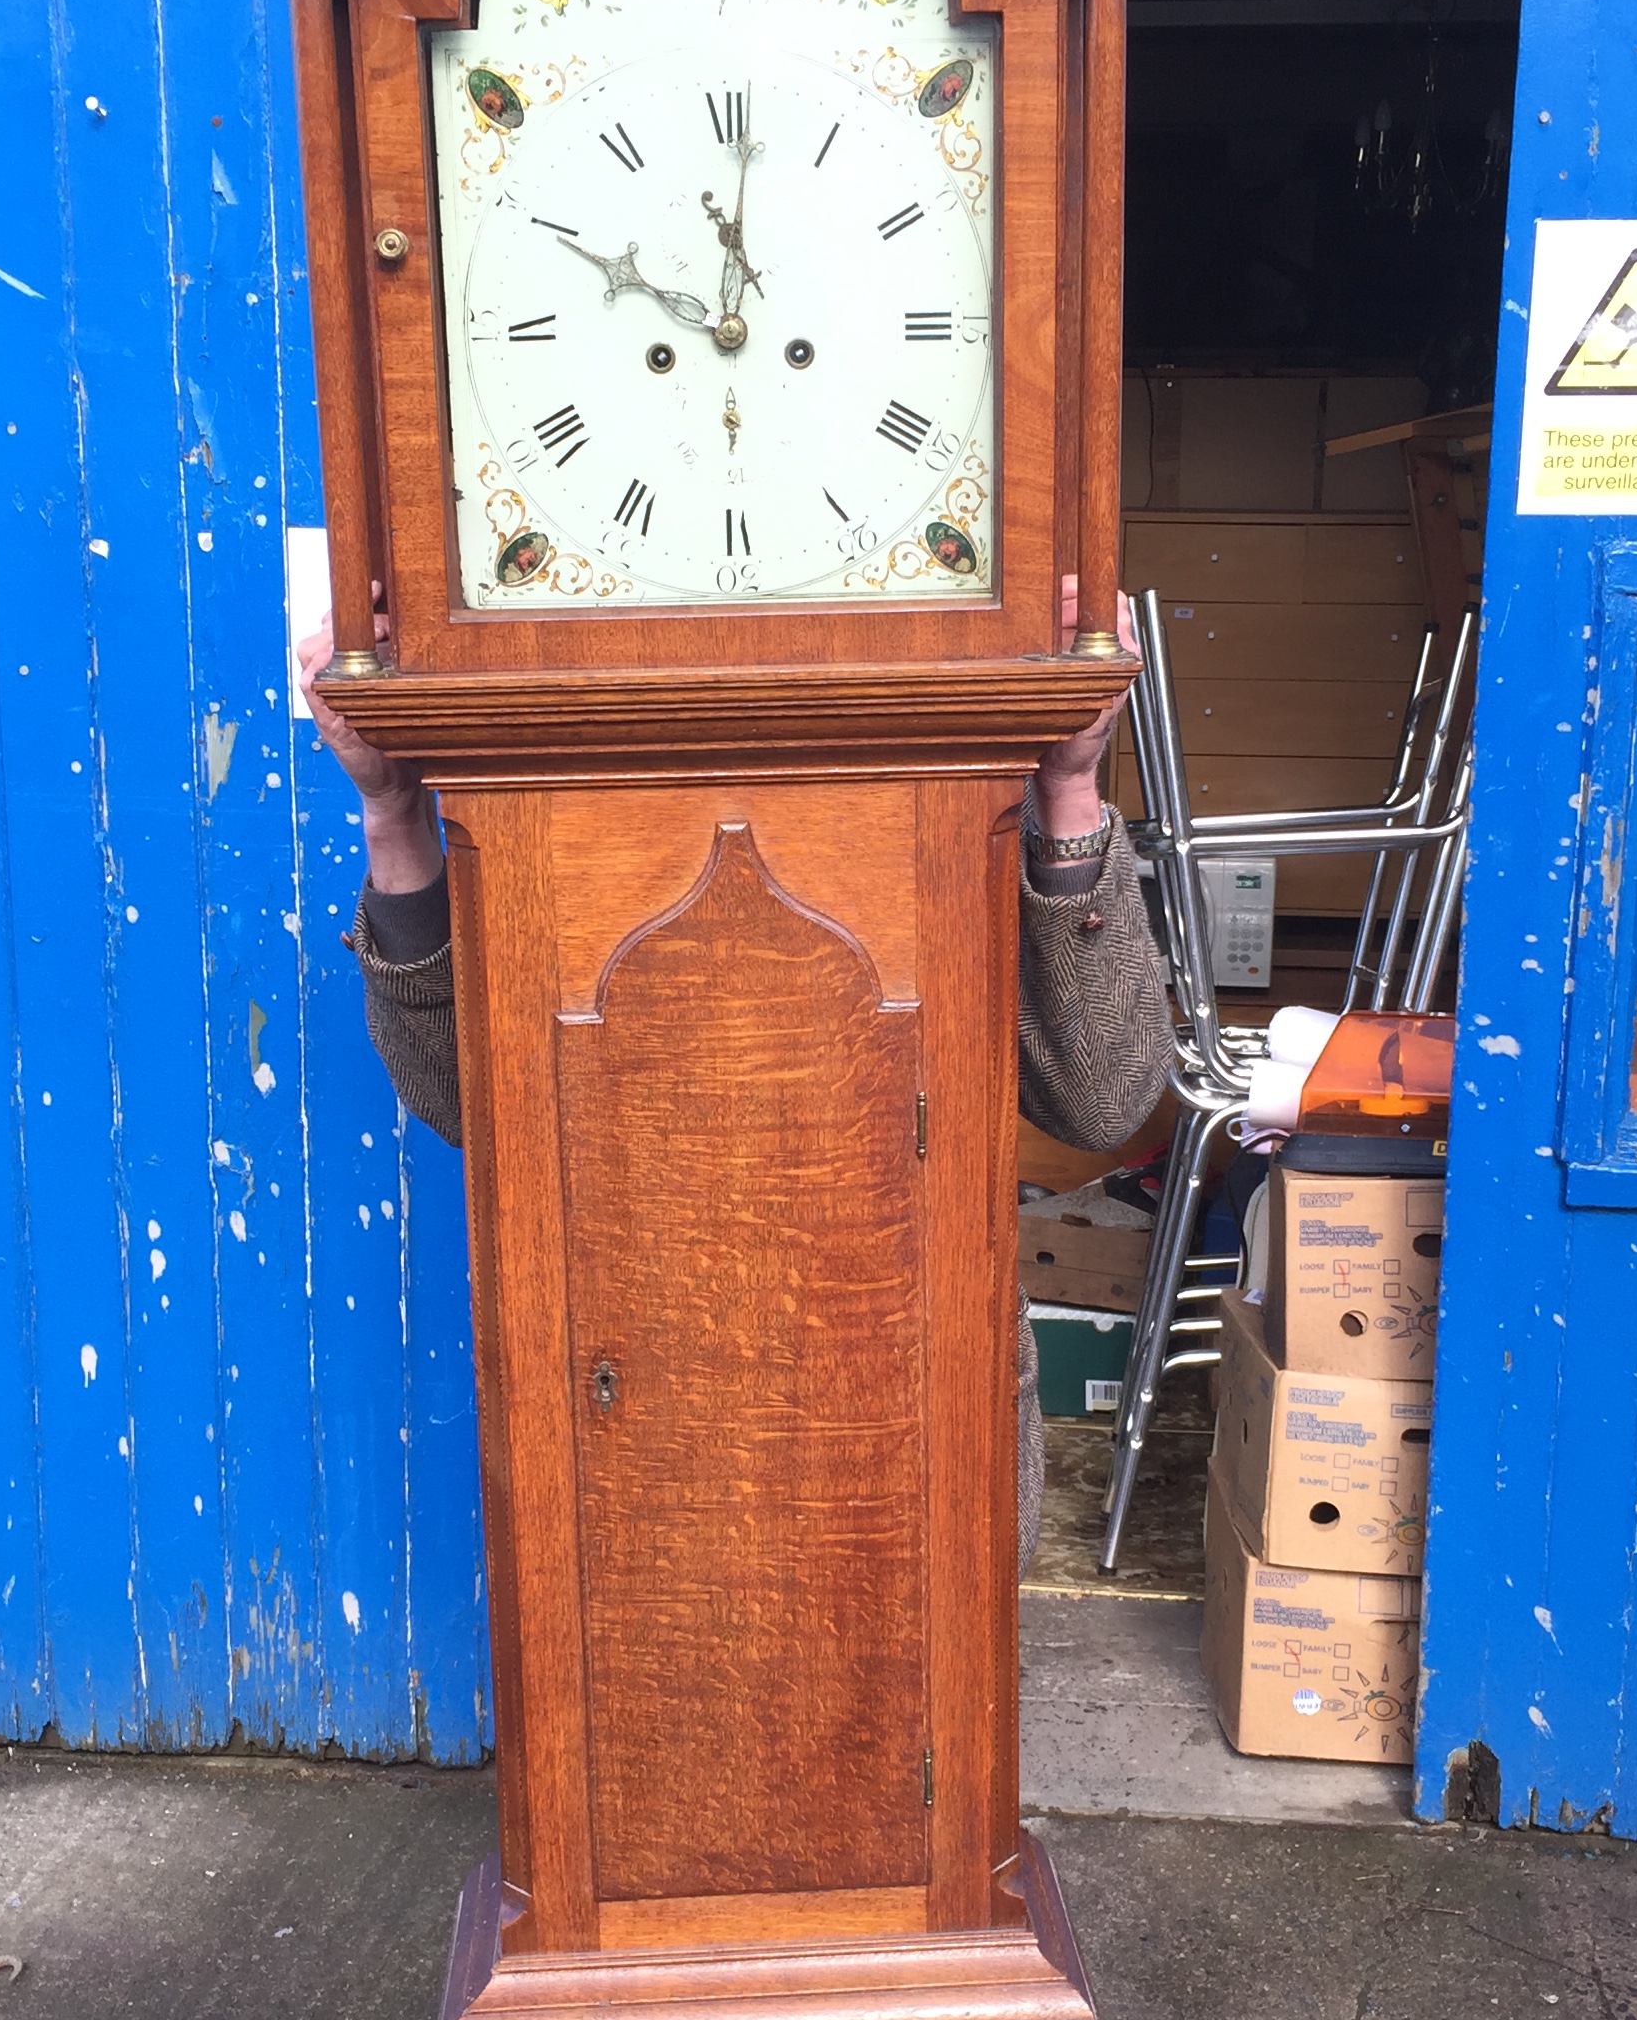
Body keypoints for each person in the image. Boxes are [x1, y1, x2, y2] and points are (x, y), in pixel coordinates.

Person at [297, 585, 1174, 1568]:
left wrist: (1066, 788)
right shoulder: (550, 789)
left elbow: (1103, 1094)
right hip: (629, 1423)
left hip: (913, 1429)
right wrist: (394, 810)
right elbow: (462, 1101)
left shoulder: (965, 796)